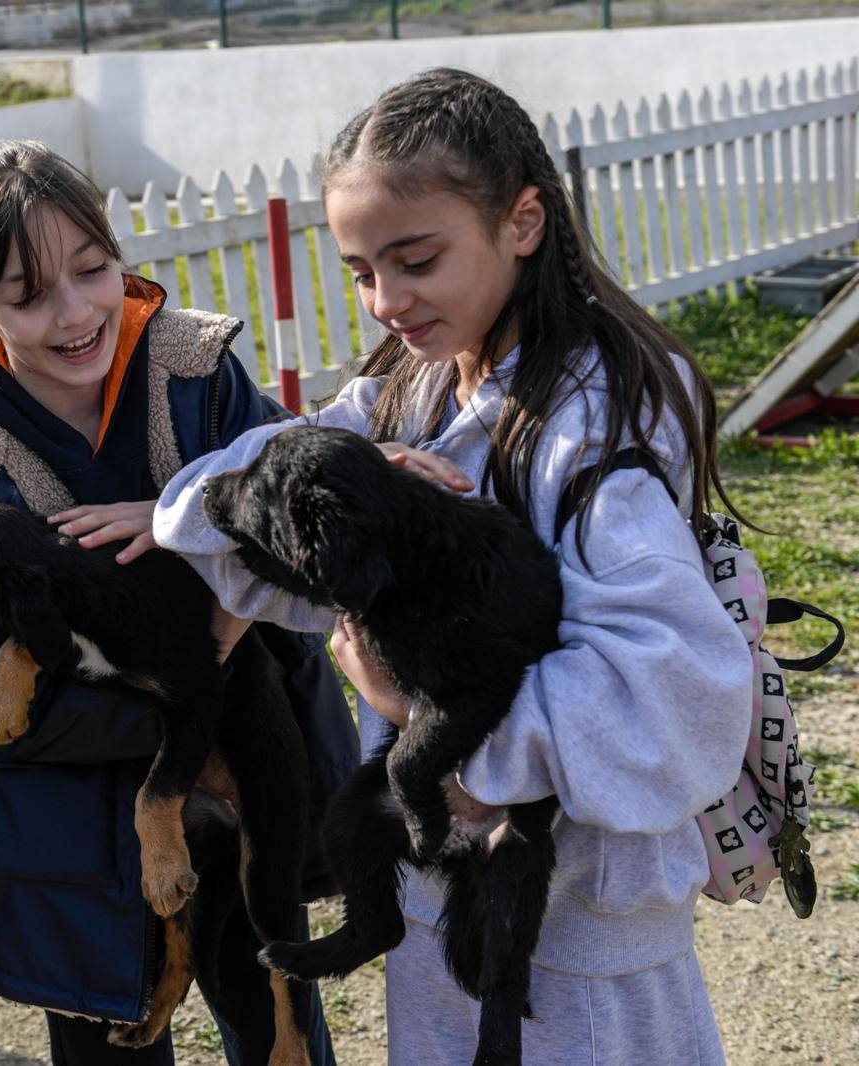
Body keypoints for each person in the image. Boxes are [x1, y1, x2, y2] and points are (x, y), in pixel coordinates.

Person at [153, 69, 755, 1065]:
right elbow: (206, 510)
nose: (387, 300)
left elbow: (679, 696)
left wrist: (403, 707)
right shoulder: (412, 389)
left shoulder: (594, 424)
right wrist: (373, 474)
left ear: (522, 222)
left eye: (415, 259)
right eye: (359, 271)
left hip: (582, 940)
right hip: (433, 907)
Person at [0, 139, 359, 1066]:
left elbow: (324, 525)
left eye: (94, 269)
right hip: (76, 833)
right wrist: (203, 682)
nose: (75, 314)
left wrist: (189, 521)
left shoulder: (197, 372)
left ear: (118, 252)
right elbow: (10, 701)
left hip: (257, 782)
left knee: (278, 1026)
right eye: (28, 295)